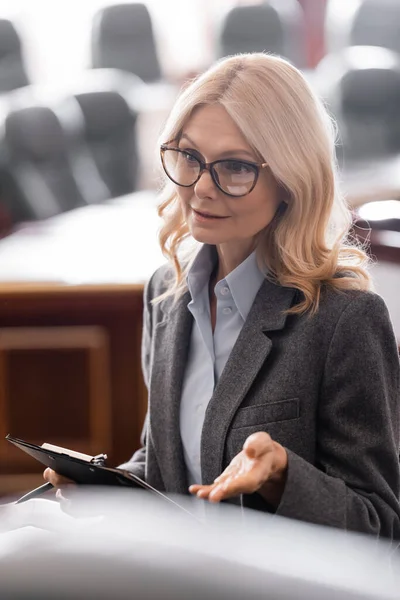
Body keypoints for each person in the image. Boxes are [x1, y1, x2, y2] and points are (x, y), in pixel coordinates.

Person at [44, 53, 400, 540]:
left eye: (233, 168)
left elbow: (380, 524)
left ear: (291, 181)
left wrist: (282, 479)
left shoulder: (343, 317)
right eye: (188, 157)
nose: (202, 189)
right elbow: (169, 467)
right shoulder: (165, 296)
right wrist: (106, 489)